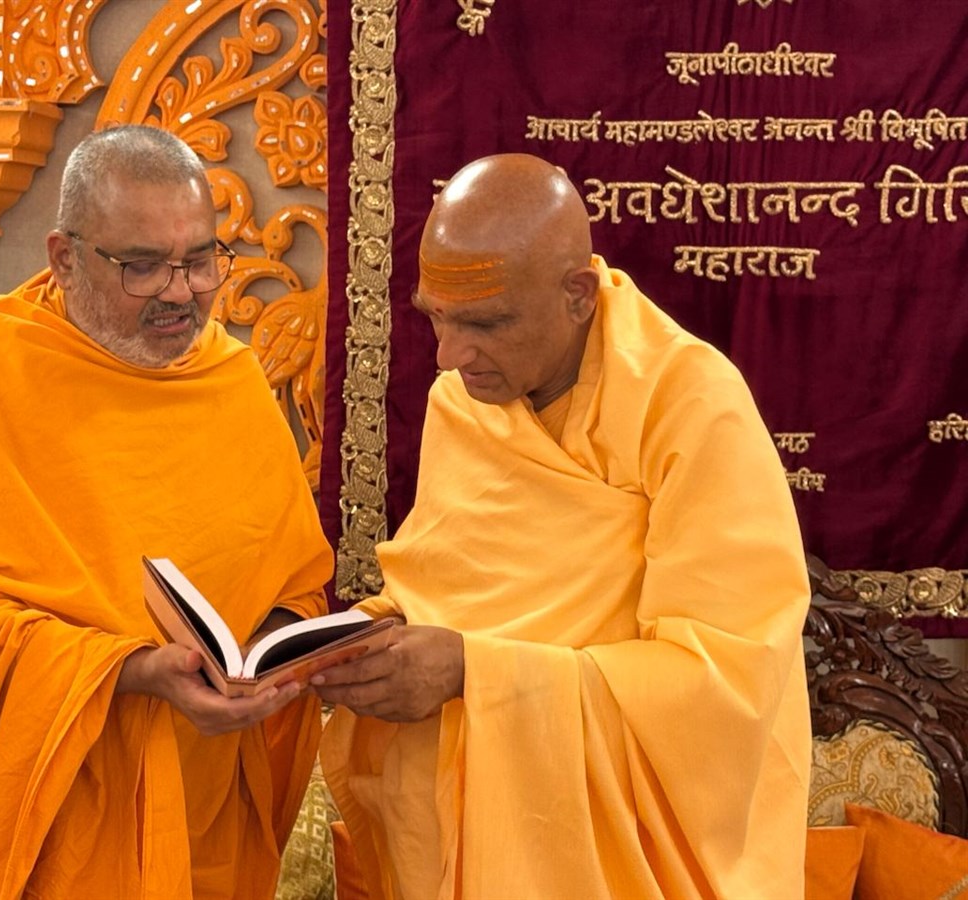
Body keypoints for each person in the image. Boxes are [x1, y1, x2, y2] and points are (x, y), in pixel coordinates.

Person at [0, 125, 332, 899]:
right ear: (64, 257)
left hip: (197, 818)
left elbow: (292, 584)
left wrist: (270, 655)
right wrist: (126, 672)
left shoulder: (232, 386)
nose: (180, 291)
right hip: (41, 827)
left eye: (200, 260)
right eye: (142, 267)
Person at [315, 153, 812, 898]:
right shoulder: (466, 401)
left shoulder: (691, 405)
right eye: (436, 320)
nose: (450, 357)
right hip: (463, 827)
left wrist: (468, 672)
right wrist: (358, 642)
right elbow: (447, 591)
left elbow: (723, 684)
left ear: (577, 294)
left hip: (623, 856)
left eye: (484, 323)